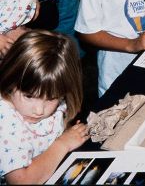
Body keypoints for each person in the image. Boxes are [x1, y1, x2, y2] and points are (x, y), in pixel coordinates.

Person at [0, 30, 89, 184]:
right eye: (29, 96)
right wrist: (63, 143)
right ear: (9, 79)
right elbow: (22, 181)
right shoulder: (5, 119)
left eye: (51, 99)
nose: (39, 110)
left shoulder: (48, 92)